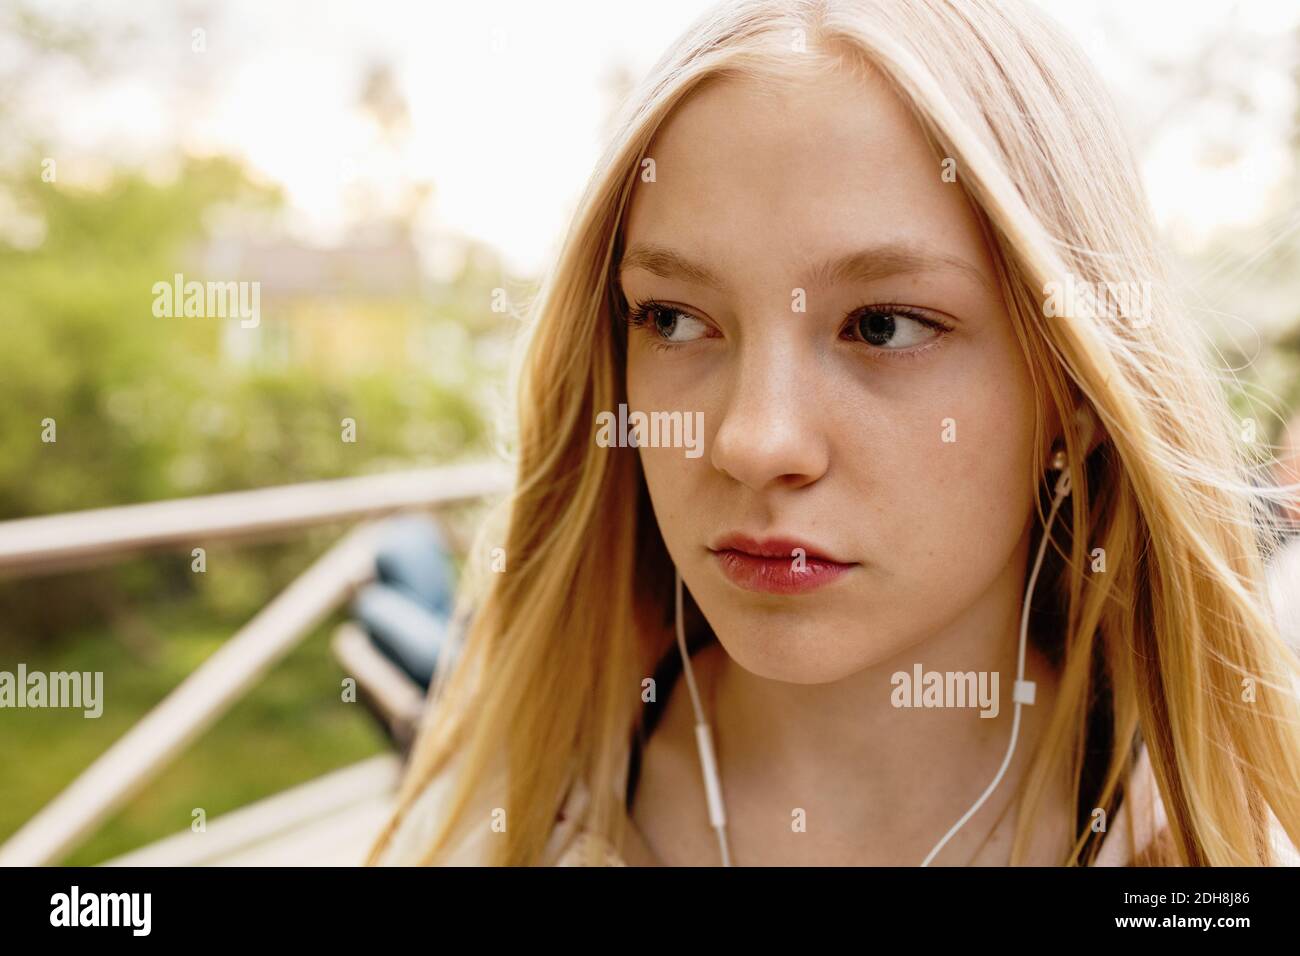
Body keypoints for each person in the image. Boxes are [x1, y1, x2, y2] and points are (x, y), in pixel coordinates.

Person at [367, 0, 1300, 866]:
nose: (754, 440)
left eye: (884, 325)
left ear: (1079, 394)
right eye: (675, 319)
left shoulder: (1208, 859)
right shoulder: (500, 813)